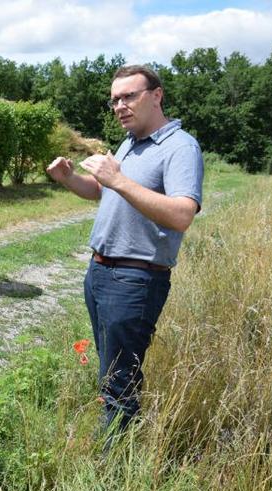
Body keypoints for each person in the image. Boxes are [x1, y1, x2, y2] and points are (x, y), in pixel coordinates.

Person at [46, 65, 204, 436]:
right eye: (115, 99)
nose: (120, 106)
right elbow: (102, 192)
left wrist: (117, 178)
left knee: (120, 378)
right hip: (100, 271)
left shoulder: (180, 147)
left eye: (129, 96)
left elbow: (182, 215)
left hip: (136, 278)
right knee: (111, 369)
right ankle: (118, 447)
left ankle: (114, 466)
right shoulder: (130, 143)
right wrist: (69, 178)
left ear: (156, 95)